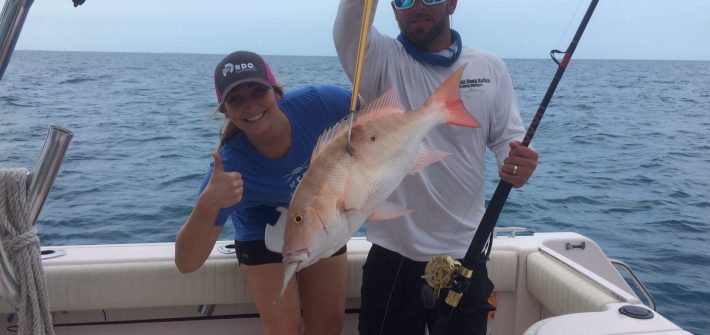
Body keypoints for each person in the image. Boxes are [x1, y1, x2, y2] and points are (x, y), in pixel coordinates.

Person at [333, 1, 539, 334]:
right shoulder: (379, 60)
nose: (415, 5)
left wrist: (515, 162)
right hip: (393, 253)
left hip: (466, 254)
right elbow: (349, 21)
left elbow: (506, 140)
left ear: (452, 3)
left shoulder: (489, 67)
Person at [175, 50, 352, 335]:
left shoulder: (321, 103)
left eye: (259, 92)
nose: (250, 106)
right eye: (236, 99)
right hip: (263, 230)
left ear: (276, 92)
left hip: (316, 217)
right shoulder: (231, 166)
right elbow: (186, 262)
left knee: (328, 323)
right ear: (226, 111)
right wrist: (207, 205)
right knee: (284, 327)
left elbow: (378, 117)